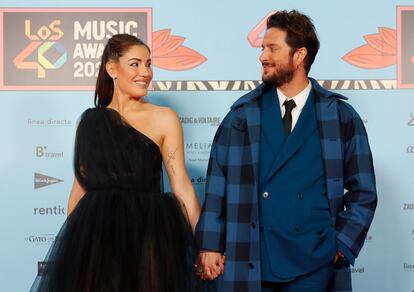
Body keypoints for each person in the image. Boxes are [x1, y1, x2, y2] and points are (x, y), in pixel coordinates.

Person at [195, 10, 377, 292]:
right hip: (253, 258)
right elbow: (217, 186)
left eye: (272, 48)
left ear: (299, 55)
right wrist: (209, 243)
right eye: (263, 48)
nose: (262, 56)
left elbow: (364, 191)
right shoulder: (242, 115)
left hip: (315, 264)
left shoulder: (340, 117)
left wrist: (341, 245)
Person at [31, 34, 201, 292]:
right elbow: (80, 188)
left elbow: (182, 187)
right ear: (112, 68)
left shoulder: (164, 118)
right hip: (99, 238)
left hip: (149, 236)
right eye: (135, 64)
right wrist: (76, 245)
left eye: (148, 64)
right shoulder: (89, 122)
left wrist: (203, 243)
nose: (145, 72)